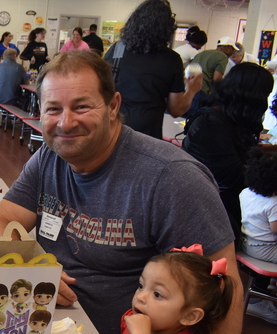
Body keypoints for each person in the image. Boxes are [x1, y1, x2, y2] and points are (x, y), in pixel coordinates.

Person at [0, 50, 242, 334]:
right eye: (53, 109)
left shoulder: (171, 179)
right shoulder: (49, 159)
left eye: (82, 106)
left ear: (113, 105)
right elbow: (2, 221)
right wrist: (33, 269)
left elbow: (227, 288)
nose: (65, 122)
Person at [183, 63, 273, 241]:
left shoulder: (223, 117)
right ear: (252, 97)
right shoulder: (211, 124)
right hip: (212, 212)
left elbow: (243, 153)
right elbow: (235, 178)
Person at [103, 0, 200, 139]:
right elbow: (176, 109)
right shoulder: (171, 60)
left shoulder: (118, 49)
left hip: (113, 124)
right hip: (147, 131)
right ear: (167, 28)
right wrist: (191, 90)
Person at [239, 149, 277, 324]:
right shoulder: (274, 203)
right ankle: (258, 301)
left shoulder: (245, 192)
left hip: (247, 244)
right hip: (265, 250)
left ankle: (265, 290)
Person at [186, 36, 236, 118]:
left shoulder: (203, 53)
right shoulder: (223, 57)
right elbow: (217, 79)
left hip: (188, 88)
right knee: (197, 119)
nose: (232, 53)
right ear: (227, 48)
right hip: (201, 90)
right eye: (233, 50)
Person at [0, 48, 30, 126]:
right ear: (14, 57)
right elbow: (26, 82)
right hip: (13, 99)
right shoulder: (19, 67)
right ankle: (9, 118)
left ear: (3, 57)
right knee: (25, 97)